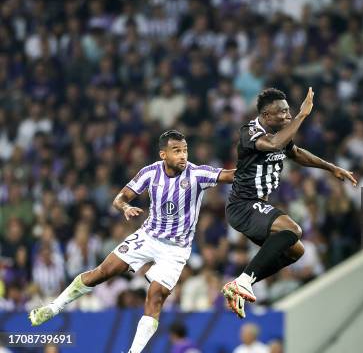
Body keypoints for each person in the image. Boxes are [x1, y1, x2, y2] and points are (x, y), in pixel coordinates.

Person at [28, 130, 235, 353]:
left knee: (155, 297)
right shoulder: (150, 172)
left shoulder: (196, 174)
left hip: (176, 249)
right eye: (177, 151)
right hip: (148, 236)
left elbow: (229, 175)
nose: (183, 155)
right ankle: (54, 307)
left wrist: (258, 163)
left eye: (185, 150)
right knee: (102, 272)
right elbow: (120, 198)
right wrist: (125, 207)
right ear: (163, 154)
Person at [222, 88, 357, 318]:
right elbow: (274, 145)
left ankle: (240, 284)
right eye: (282, 112)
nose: (288, 115)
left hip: (256, 205)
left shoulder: (280, 133)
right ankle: (244, 281)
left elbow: (296, 152)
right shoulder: (250, 132)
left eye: (289, 111)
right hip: (243, 205)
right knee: (293, 229)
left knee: (296, 250)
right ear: (266, 116)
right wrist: (301, 115)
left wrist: (331, 167)